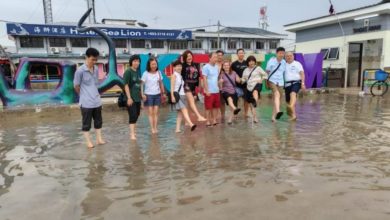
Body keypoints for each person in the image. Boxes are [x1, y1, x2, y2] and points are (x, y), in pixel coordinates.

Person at [73, 47, 105, 148]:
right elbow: (76, 86)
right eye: (92, 59)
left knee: (98, 121)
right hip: (86, 102)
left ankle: (99, 139)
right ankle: (88, 142)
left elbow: (96, 84)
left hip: (96, 101)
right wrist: (83, 95)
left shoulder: (96, 69)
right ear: (86, 57)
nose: (94, 62)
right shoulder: (80, 71)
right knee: (86, 123)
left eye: (96, 60)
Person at [170, 60, 197, 133]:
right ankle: (191, 124)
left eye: (180, 66)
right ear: (174, 68)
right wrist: (172, 96)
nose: (179, 67)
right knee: (184, 109)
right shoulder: (174, 75)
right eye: (177, 66)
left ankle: (177, 129)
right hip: (177, 95)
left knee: (180, 113)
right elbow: (172, 87)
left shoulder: (180, 76)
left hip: (182, 95)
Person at [141, 57, 166, 134]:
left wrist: (163, 93)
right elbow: (141, 84)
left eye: (155, 64)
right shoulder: (145, 73)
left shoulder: (159, 72)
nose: (154, 66)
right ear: (149, 65)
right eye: (152, 64)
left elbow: (161, 83)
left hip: (157, 94)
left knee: (156, 112)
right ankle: (152, 128)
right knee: (150, 112)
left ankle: (155, 128)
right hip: (148, 95)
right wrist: (142, 94)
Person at [181, 50, 207, 122]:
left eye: (190, 56)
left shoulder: (195, 65)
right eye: (187, 56)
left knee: (190, 103)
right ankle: (199, 116)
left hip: (193, 86)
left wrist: (198, 88)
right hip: (185, 85)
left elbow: (198, 77)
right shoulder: (183, 65)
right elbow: (180, 76)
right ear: (185, 58)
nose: (189, 57)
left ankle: (187, 121)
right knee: (191, 101)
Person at [242, 56, 267, 123]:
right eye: (250, 61)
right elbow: (243, 79)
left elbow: (265, 75)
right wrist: (241, 80)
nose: (251, 62)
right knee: (251, 105)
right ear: (248, 62)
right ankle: (255, 117)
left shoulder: (258, 68)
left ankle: (254, 101)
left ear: (255, 61)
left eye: (253, 61)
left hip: (257, 84)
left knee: (255, 92)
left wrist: (261, 80)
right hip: (249, 87)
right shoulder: (245, 70)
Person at [123, 54, 142, 140]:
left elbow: (139, 84)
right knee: (133, 115)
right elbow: (126, 85)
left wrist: (142, 95)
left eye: (138, 61)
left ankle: (134, 131)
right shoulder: (128, 71)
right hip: (131, 98)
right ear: (131, 62)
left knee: (137, 114)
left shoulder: (137, 72)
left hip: (137, 98)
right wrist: (129, 98)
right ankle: (132, 134)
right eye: (134, 61)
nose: (136, 63)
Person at [266, 47, 287, 122]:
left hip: (280, 82)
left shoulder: (284, 62)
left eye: (283, 53)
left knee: (277, 99)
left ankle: (273, 117)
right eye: (280, 53)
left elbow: (284, 72)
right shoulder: (271, 61)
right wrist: (267, 81)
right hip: (272, 80)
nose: (281, 54)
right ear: (276, 53)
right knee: (277, 94)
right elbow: (267, 72)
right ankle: (278, 111)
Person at [285, 52, 306, 121]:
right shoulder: (284, 65)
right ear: (285, 57)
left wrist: (303, 84)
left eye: (290, 56)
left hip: (296, 82)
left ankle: (291, 107)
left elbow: (302, 74)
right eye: (287, 56)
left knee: (293, 94)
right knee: (288, 101)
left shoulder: (297, 64)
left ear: (293, 56)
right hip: (287, 84)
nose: (289, 57)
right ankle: (293, 116)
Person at [202, 52, 220, 127]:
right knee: (208, 107)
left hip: (216, 90)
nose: (216, 58)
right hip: (209, 90)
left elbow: (216, 78)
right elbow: (204, 79)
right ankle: (208, 121)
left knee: (216, 106)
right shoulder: (206, 67)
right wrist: (206, 90)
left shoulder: (217, 67)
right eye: (214, 57)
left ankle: (214, 119)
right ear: (210, 58)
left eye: (217, 57)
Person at [231, 48, 249, 118]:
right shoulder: (234, 64)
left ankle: (246, 113)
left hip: (246, 85)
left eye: (242, 53)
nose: (241, 54)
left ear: (244, 54)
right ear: (237, 54)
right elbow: (231, 73)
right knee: (235, 100)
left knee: (246, 100)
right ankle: (235, 113)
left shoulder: (247, 63)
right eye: (239, 53)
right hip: (236, 85)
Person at [216, 50, 226, 122]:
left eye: (221, 55)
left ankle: (223, 115)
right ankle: (216, 115)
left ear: (223, 56)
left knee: (222, 102)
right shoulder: (213, 64)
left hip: (223, 86)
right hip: (214, 86)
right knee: (216, 101)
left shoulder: (225, 65)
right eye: (218, 55)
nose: (219, 57)